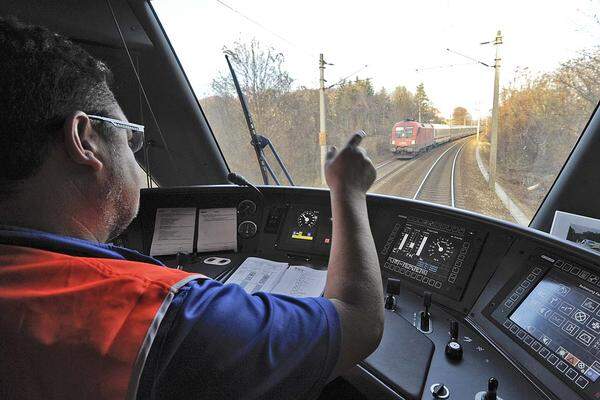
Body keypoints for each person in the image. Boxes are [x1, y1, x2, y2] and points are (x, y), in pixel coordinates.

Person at [0, 17, 384, 400]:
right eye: (131, 138)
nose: (138, 161)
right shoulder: (160, 315)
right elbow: (359, 320)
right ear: (86, 141)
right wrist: (348, 189)